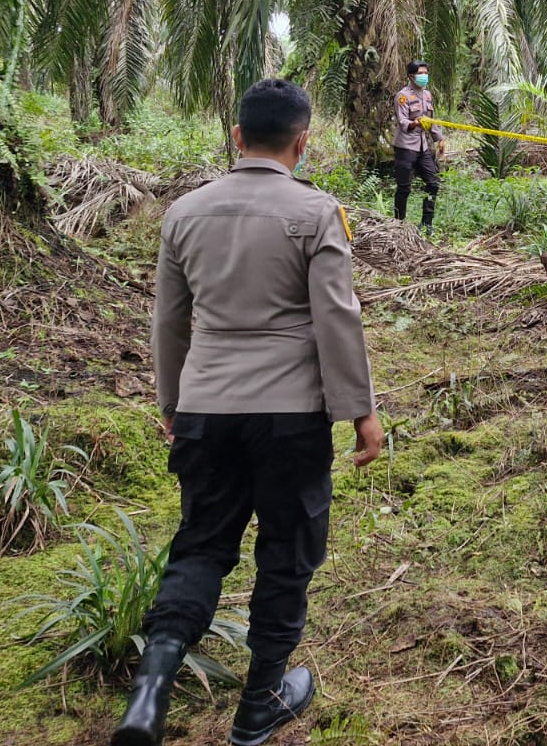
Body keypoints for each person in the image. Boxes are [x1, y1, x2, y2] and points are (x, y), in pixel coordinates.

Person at [113, 78, 385, 746]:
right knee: (286, 555)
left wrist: (172, 403)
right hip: (291, 414)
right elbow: (336, 320)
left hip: (207, 405)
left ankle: (150, 692)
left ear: (236, 137)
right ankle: (259, 705)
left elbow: (169, 324)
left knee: (201, 545)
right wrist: (361, 413)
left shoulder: (185, 213)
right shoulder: (317, 212)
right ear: (303, 141)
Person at [393, 61, 445, 233]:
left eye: (426, 72)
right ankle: (399, 224)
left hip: (423, 147)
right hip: (406, 146)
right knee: (404, 187)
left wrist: (439, 138)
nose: (424, 76)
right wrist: (414, 124)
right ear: (411, 76)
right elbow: (402, 121)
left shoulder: (428, 95)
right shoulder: (403, 96)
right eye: (421, 73)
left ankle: (427, 223)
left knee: (433, 182)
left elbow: (431, 120)